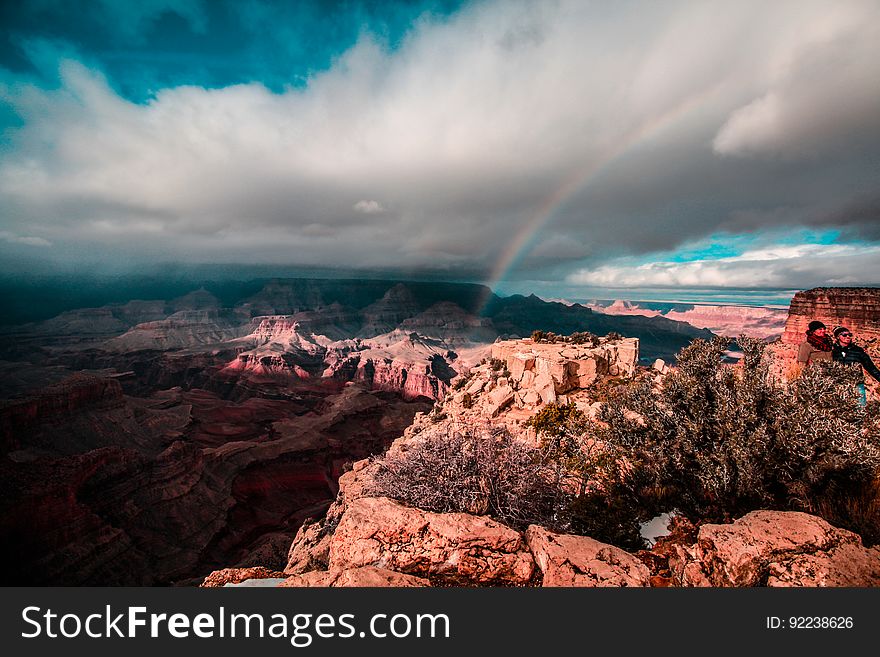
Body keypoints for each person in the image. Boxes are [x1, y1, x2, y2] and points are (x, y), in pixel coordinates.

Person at [832, 326, 880, 407]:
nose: (847, 337)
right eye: (844, 335)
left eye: (849, 335)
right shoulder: (832, 351)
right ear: (837, 337)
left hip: (857, 384)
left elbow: (870, 367)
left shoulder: (858, 350)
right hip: (839, 384)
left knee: (860, 408)